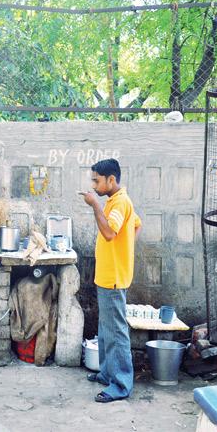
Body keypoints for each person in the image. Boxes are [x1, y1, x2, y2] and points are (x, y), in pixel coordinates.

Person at [79, 158, 141, 403]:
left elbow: (108, 233)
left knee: (116, 332)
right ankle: (107, 373)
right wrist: (125, 249)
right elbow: (136, 225)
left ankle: (121, 384)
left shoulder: (119, 203)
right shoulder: (117, 201)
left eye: (97, 180)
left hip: (114, 278)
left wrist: (94, 205)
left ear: (111, 180)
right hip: (107, 276)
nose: (93, 185)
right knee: (106, 329)